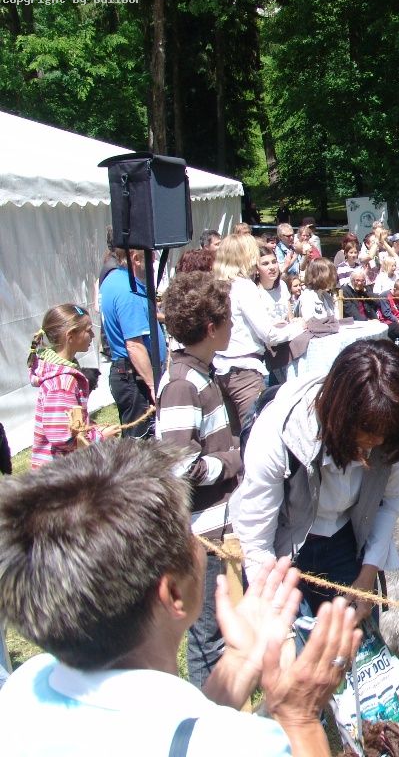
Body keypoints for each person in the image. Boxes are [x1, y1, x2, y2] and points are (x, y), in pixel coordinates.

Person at [0, 439, 362, 756]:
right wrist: (299, 718)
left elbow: (167, 728)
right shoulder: (244, 746)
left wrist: (237, 664)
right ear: (173, 592)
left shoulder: (25, 688)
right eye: (188, 530)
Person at [230, 340, 399, 618]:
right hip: (282, 544)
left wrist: (367, 574)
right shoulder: (279, 432)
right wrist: (276, 617)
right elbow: (257, 541)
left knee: (356, 634)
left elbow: (389, 501)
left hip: (345, 539)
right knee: (293, 636)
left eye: (388, 434)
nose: (379, 442)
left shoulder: (389, 431)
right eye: (369, 431)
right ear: (341, 415)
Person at [157, 271, 241, 689]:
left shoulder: (204, 372)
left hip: (219, 526)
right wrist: (232, 461)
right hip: (201, 533)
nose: (233, 324)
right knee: (208, 636)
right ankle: (204, 713)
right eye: (228, 318)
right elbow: (179, 466)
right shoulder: (181, 384)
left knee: (224, 627)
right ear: (211, 328)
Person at [213, 234, 304, 432]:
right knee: (254, 433)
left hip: (221, 370)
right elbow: (269, 334)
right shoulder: (243, 287)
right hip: (244, 372)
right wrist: (299, 327)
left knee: (235, 437)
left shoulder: (219, 285)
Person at [28, 304, 117, 467]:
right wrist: (100, 436)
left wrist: (91, 426)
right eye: (88, 330)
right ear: (70, 336)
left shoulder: (63, 373)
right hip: (59, 474)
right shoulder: (62, 382)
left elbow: (69, 422)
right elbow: (60, 435)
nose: (93, 335)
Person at [100, 246, 166, 438]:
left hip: (130, 375)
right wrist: (153, 386)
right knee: (140, 445)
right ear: (136, 258)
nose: (154, 261)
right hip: (135, 378)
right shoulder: (128, 290)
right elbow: (134, 345)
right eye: (150, 256)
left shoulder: (114, 280)